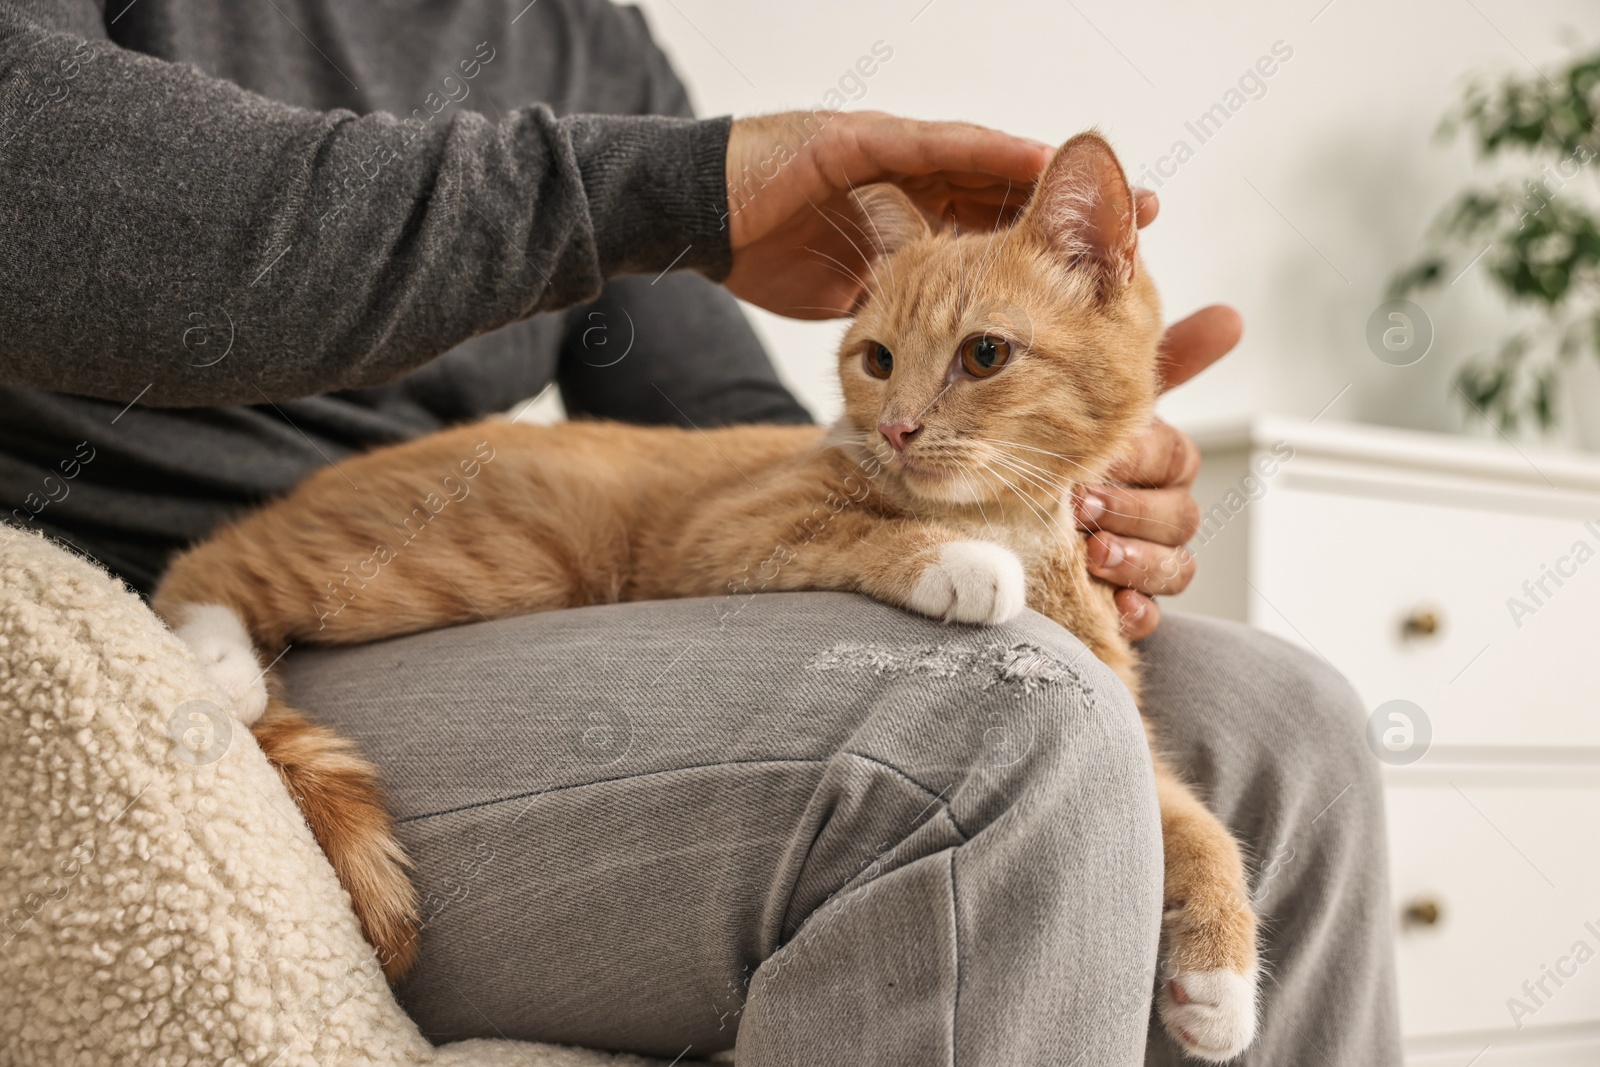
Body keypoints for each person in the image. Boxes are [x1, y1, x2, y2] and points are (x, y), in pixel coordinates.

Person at [0, 0, 1401, 1063]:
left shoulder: (575, 30)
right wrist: (667, 190)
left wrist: (1032, 476)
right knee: (1005, 725)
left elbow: (710, 408)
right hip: (219, 591)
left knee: (1291, 724)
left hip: (551, 591)